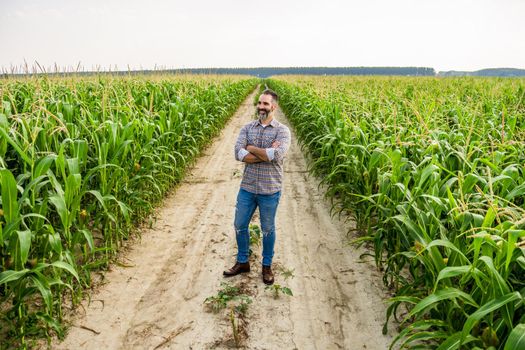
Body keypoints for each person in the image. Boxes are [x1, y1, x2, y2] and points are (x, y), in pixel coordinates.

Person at [223, 89, 291, 285]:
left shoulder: (282, 131)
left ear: (274, 107)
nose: (261, 107)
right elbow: (238, 153)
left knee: (268, 229)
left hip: (270, 189)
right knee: (239, 225)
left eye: (266, 104)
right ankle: (242, 261)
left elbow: (277, 156)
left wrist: (251, 148)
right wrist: (264, 153)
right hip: (248, 186)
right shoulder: (247, 128)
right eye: (259, 103)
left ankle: (266, 266)